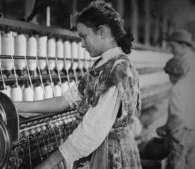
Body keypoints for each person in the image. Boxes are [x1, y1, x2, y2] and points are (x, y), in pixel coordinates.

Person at [15, 1, 142, 168]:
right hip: (100, 149)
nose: (81, 44)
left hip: (110, 156)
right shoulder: (102, 66)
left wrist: (48, 163)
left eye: (84, 36)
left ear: (101, 32)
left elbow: (91, 130)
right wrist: (16, 106)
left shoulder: (117, 70)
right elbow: (65, 100)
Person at [156, 34, 195, 169]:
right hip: (191, 132)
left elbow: (176, 118)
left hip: (179, 136)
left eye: (168, 76)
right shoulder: (189, 85)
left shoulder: (176, 89)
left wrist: (164, 128)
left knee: (176, 164)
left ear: (172, 74)